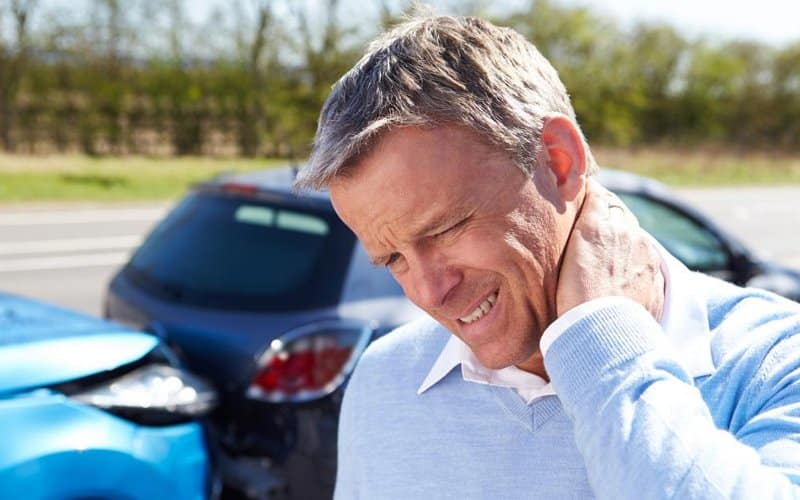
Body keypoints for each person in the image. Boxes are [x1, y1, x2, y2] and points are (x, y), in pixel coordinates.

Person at [295, 14, 800, 500]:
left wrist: (603, 341)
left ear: (559, 162)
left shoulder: (777, 364)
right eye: (393, 259)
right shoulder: (385, 378)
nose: (428, 293)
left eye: (446, 229)